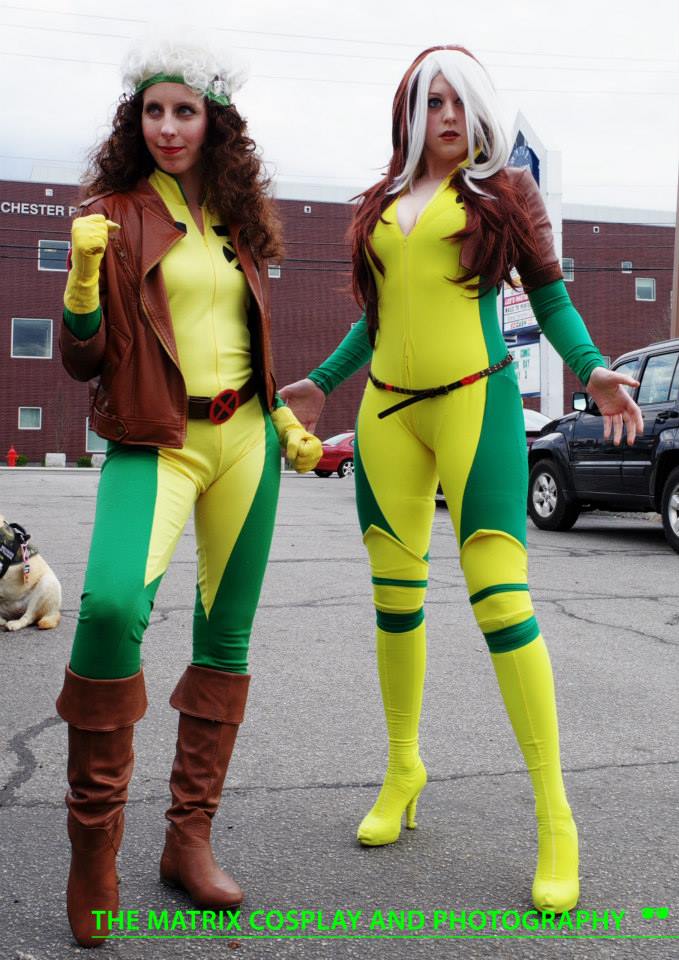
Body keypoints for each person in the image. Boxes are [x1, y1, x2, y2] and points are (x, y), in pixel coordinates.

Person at [281, 45, 643, 913]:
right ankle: (402, 769)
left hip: (476, 406)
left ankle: (554, 816)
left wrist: (591, 368)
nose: (445, 115)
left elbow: (549, 298)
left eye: (457, 101)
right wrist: (321, 383)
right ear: (408, 113)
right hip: (386, 418)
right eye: (429, 101)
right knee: (393, 599)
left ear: (478, 109)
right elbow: (378, 319)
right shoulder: (378, 202)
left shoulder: (501, 194)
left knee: (502, 603)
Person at [55, 36, 321, 948]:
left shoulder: (238, 222)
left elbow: (243, 342)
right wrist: (82, 279)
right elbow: (81, 358)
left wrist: (281, 420)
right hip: (153, 440)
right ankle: (93, 852)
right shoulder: (112, 215)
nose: (167, 127)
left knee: (225, 639)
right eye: (153, 111)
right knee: (108, 610)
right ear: (135, 122)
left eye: (185, 111)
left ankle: (187, 839)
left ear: (215, 122)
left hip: (244, 441)